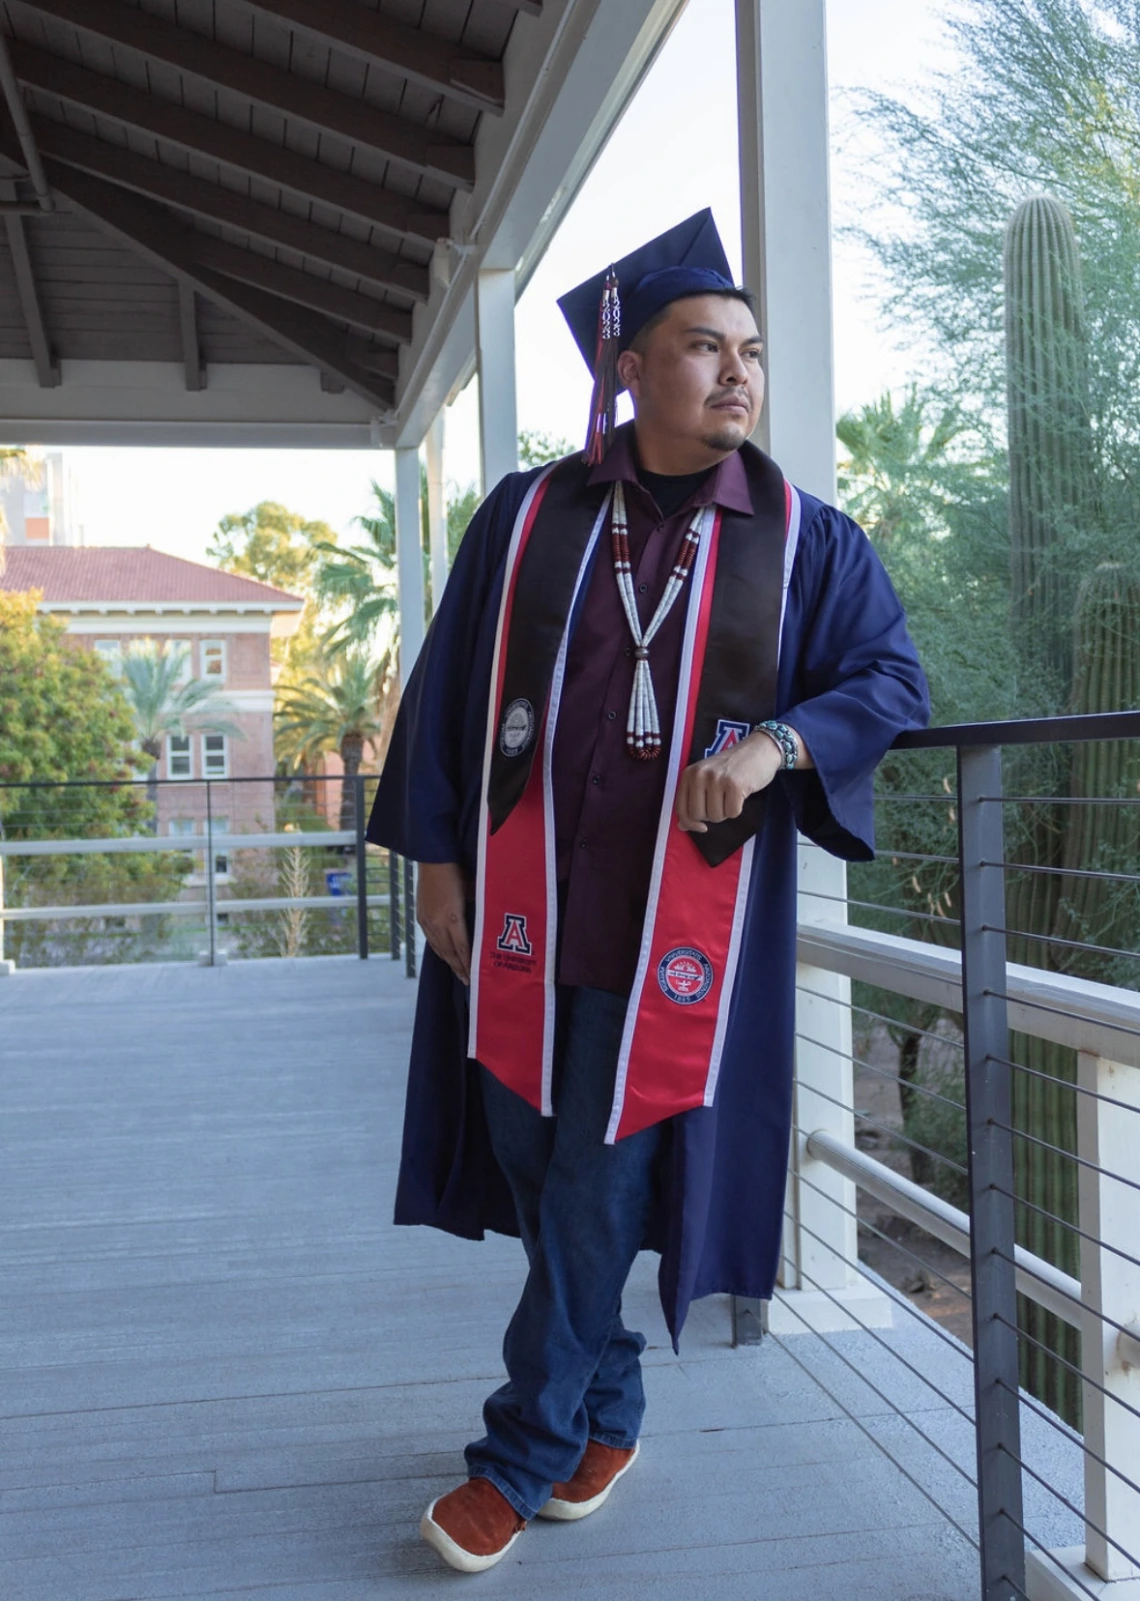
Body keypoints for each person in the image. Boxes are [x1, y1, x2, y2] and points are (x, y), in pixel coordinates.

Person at [366, 209, 929, 1574]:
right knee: (531, 1158)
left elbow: (891, 683)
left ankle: (524, 1448)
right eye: (702, 347)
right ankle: (609, 1406)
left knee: (595, 1186)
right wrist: (437, 862)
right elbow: (448, 698)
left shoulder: (807, 540)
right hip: (517, 911)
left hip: (682, 934)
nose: (738, 373)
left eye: (750, 350)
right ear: (629, 371)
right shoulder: (532, 515)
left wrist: (778, 742)